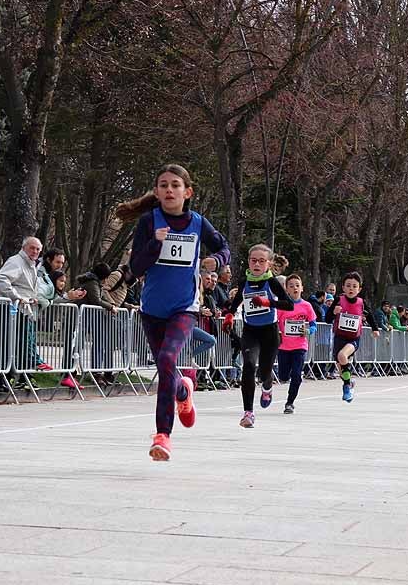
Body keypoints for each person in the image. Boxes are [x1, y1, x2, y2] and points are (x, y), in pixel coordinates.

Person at [118, 164, 230, 461]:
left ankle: (162, 435)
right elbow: (137, 267)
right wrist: (156, 243)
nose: (169, 190)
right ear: (156, 192)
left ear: (187, 192)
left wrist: (216, 261)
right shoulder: (148, 222)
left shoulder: (198, 222)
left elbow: (224, 248)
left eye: (175, 185)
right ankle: (183, 391)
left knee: (167, 359)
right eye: (163, 185)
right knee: (167, 370)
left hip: (184, 307)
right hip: (152, 309)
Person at [224, 244, 294, 427]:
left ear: (269, 264)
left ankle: (267, 387)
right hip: (250, 331)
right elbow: (239, 298)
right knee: (248, 365)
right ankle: (248, 413)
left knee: (264, 372)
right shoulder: (244, 281)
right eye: (253, 260)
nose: (257, 264)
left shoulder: (272, 282)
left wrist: (268, 302)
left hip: (269, 332)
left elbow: (289, 305)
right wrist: (230, 315)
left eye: (261, 261)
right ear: (248, 262)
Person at [0, 236, 42, 391]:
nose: (35, 252)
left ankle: (1, 377)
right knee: (4, 343)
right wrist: (17, 297)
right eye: (32, 248)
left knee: (11, 344)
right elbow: (1, 279)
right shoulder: (17, 261)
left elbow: (27, 286)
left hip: (22, 310)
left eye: (38, 249)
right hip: (12, 309)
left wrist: (32, 298)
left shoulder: (31, 265)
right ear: (24, 247)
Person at [328, 271, 380, 402]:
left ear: (359, 289)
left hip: (353, 339)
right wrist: (334, 312)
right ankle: (349, 382)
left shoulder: (362, 303)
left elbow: (370, 316)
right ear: (343, 288)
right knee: (341, 369)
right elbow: (328, 319)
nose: (351, 289)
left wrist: (375, 329)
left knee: (342, 356)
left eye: (354, 286)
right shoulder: (339, 300)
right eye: (348, 285)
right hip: (339, 337)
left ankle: (346, 387)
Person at [276, 274, 317, 414]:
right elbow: (274, 323)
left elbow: (313, 325)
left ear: (302, 289)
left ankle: (290, 402)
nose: (295, 288)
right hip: (283, 346)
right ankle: (284, 378)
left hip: (300, 346)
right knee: (283, 376)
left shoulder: (307, 306)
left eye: (297, 285)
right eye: (291, 286)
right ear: (286, 289)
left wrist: (309, 330)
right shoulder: (282, 306)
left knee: (297, 375)